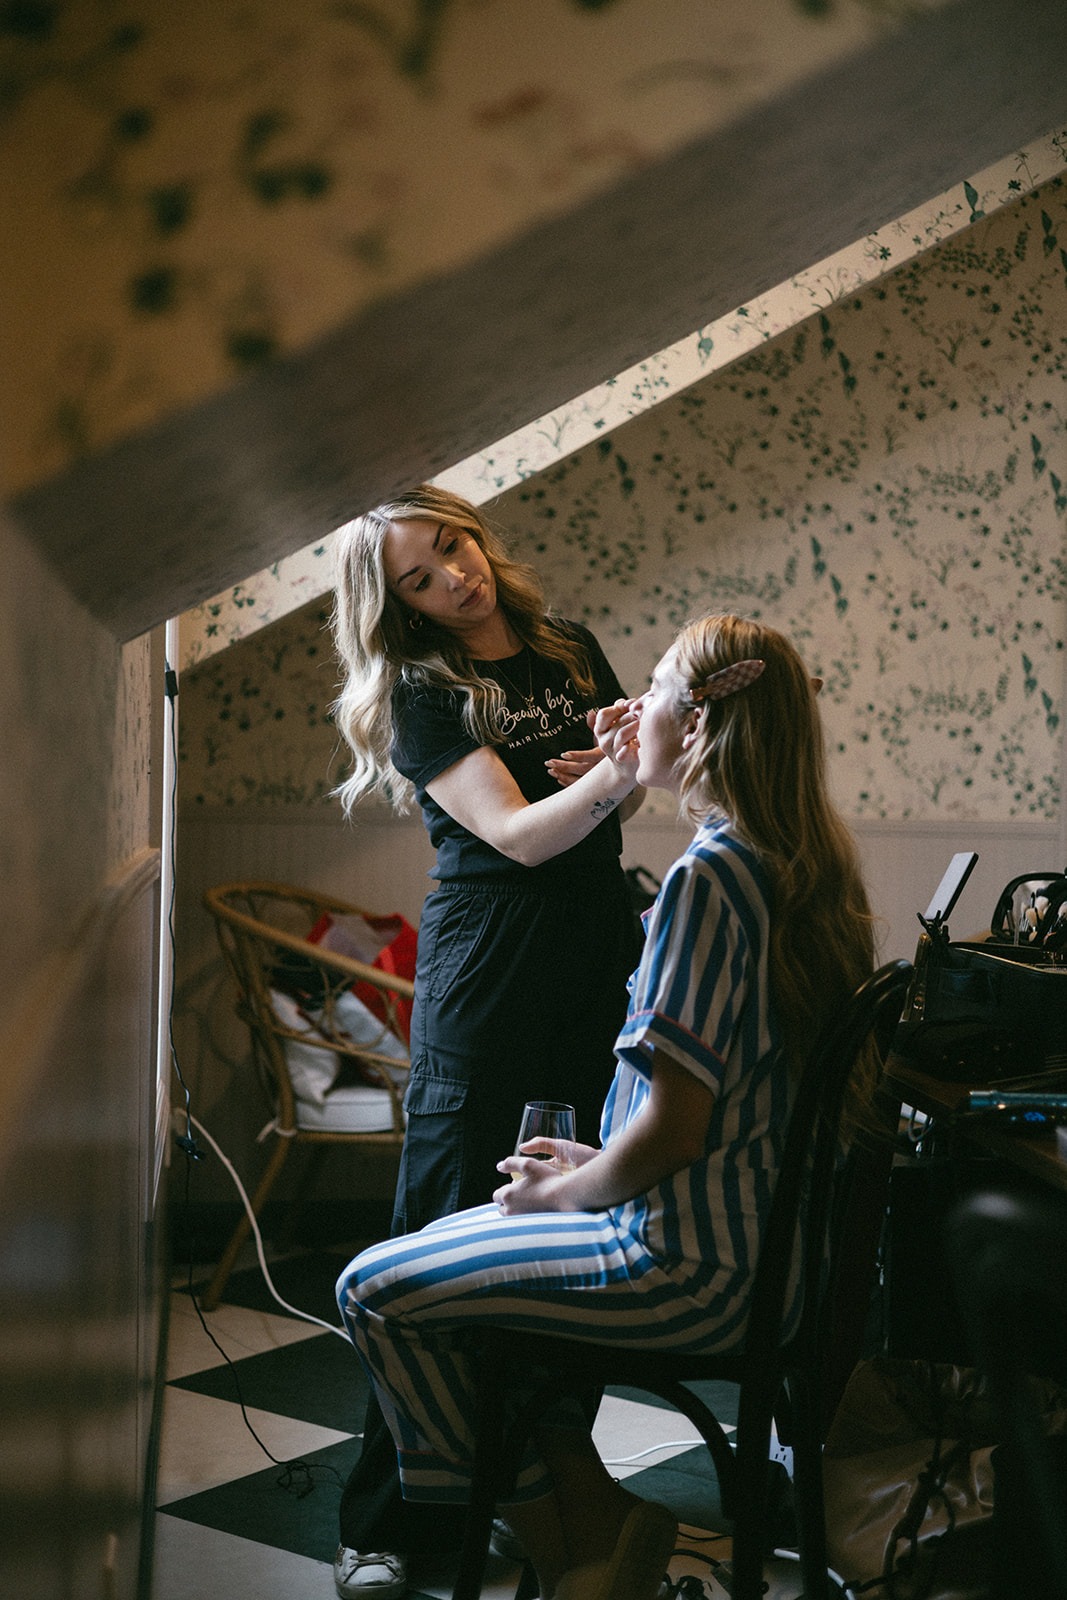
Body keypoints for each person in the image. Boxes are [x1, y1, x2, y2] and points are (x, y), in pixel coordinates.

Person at [335, 612, 877, 1600]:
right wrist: (583, 1166)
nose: (626, 711)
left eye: (655, 690)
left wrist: (568, 1197)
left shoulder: (705, 883)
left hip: (686, 1264)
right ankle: (596, 1527)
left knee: (374, 1289)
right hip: (769, 1253)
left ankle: (574, 1549)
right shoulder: (799, 861)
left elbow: (677, 1128)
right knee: (491, 1294)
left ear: (702, 726)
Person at [329, 485, 645, 1596]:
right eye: (417, 578)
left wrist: (615, 759)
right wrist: (622, 764)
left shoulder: (568, 647)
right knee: (439, 1231)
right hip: (490, 962)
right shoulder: (421, 689)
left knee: (565, 1223)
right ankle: (384, 1523)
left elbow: (607, 806)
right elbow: (516, 834)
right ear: (397, 606)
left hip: (596, 952)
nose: (450, 578)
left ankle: (527, 1484)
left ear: (475, 532)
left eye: (450, 548)